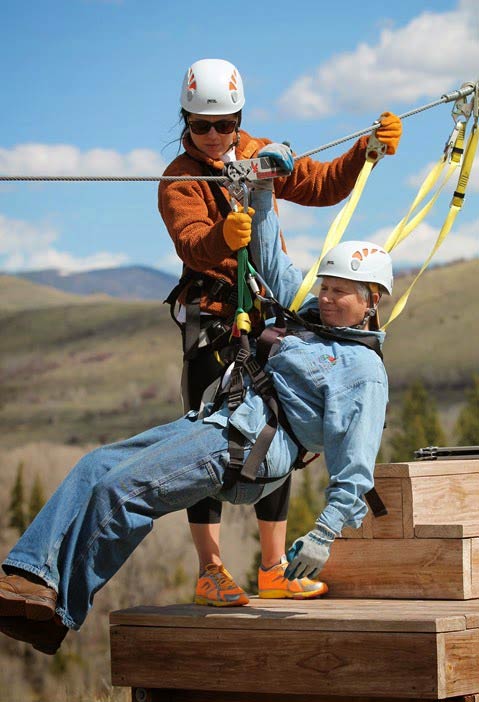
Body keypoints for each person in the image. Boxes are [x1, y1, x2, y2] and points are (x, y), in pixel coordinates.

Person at [0, 186, 392, 656]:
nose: (327, 298)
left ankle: (58, 613)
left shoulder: (363, 372)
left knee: (121, 490)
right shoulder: (309, 316)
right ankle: (27, 579)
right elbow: (270, 258)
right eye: (325, 287)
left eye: (341, 292)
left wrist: (325, 534)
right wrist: (263, 193)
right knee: (95, 465)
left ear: (371, 300)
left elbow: (356, 466)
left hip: (248, 449)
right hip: (216, 420)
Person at [158, 57, 401, 605]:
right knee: (210, 434)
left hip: (267, 316)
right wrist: (224, 235)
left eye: (226, 125)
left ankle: (273, 568)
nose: (216, 136)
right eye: (202, 126)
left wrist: (366, 152)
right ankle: (210, 570)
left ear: (239, 119)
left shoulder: (255, 151)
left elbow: (321, 186)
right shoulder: (180, 179)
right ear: (186, 123)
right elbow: (193, 243)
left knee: (279, 425)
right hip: (215, 319)